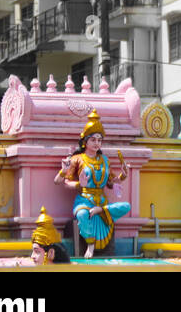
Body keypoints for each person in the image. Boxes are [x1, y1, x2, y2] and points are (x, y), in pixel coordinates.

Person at [54, 110, 131, 258]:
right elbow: (63, 182)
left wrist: (123, 175)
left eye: (99, 140)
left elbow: (111, 183)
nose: (97, 143)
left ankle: (100, 210)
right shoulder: (78, 159)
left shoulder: (105, 160)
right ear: (85, 141)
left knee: (126, 206)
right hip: (84, 200)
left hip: (101, 203)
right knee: (82, 214)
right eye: (93, 140)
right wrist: (79, 184)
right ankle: (90, 244)